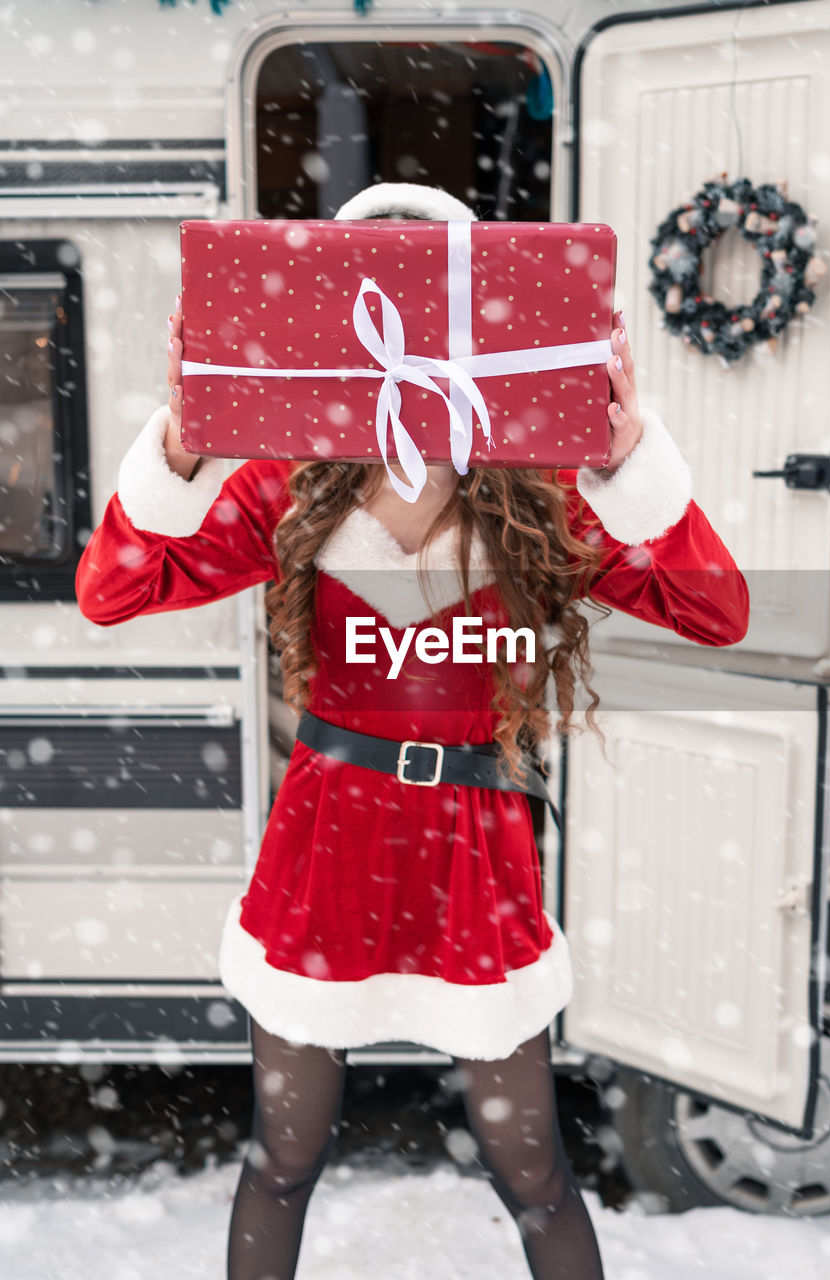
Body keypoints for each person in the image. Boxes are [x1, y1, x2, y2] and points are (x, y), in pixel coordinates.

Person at [75, 181, 749, 1280]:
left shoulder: (543, 491)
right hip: (325, 840)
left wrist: (627, 454)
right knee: (285, 1156)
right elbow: (113, 589)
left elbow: (717, 610)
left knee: (529, 1166)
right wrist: (185, 448)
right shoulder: (283, 484)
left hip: (473, 846)